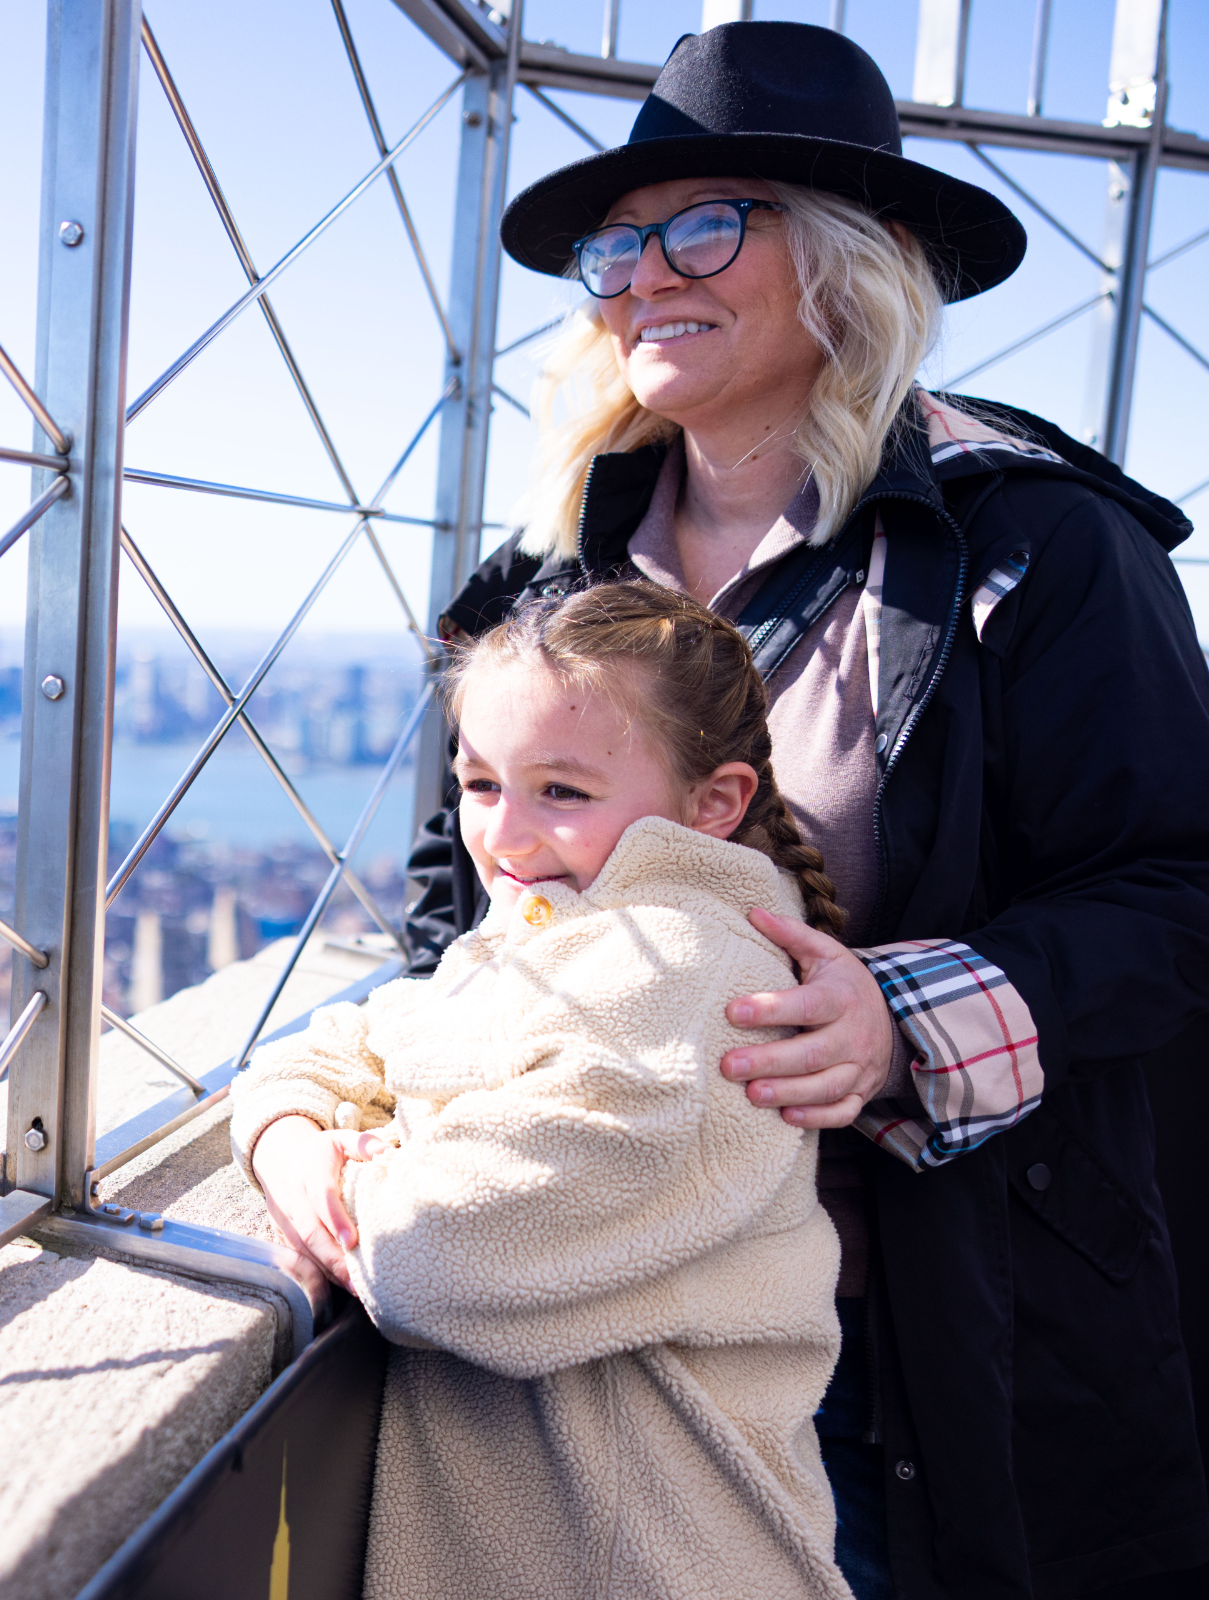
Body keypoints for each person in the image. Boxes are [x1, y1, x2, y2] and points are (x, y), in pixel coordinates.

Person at [360, 19, 1207, 1600]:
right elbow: (452, 892)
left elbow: (1183, 885)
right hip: (600, 1290)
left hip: (928, 1334)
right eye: (616, 245)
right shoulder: (548, 587)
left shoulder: (1040, 546)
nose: (642, 277)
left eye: (703, 225)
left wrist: (906, 1023)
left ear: (849, 258)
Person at [236, 582, 855, 1600]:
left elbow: (437, 1252)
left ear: (715, 802)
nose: (504, 837)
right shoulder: (553, 932)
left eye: (560, 792)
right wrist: (304, 1145)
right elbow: (328, 1050)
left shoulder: (682, 979)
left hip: (648, 1564)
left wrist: (364, 1167)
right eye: (479, 784)